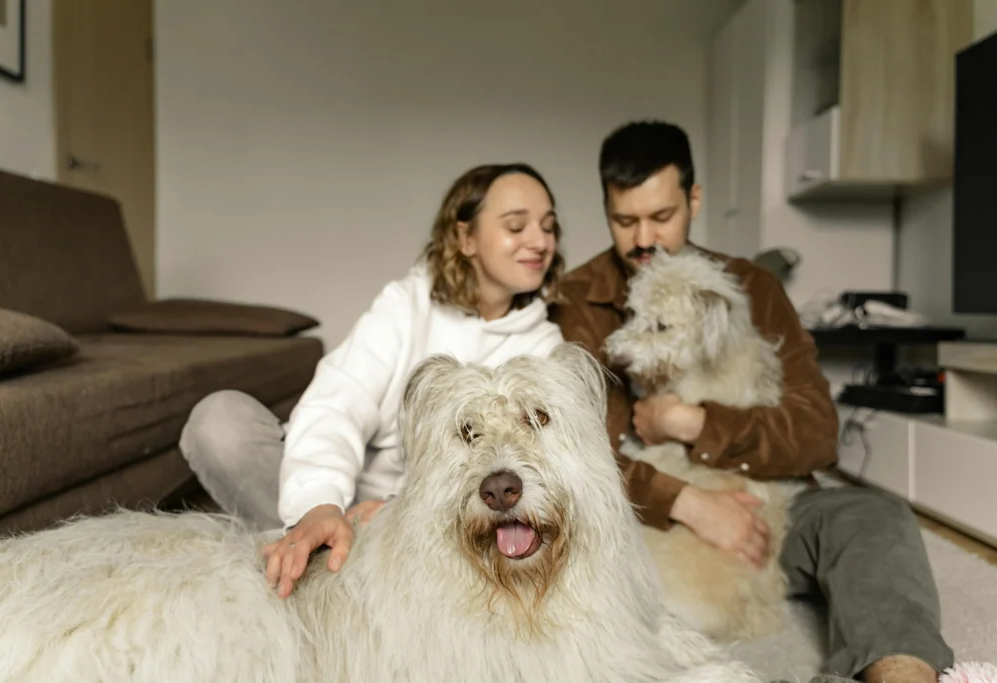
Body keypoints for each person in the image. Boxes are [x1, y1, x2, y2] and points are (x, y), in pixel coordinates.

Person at [549, 120, 954, 683]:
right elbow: (566, 454)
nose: (643, 237)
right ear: (605, 210)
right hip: (648, 524)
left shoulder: (751, 287)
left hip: (772, 506)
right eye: (625, 220)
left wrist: (694, 424)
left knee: (874, 516)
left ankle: (903, 675)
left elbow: (815, 432)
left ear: (694, 199)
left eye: (661, 217)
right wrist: (686, 500)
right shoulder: (575, 301)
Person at [180, 162, 566, 598]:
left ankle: (330, 579)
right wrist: (320, 505)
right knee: (219, 421)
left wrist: (396, 513)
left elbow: (531, 473)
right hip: (340, 503)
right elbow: (337, 402)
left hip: (435, 525)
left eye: (549, 227)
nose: (539, 241)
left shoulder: (545, 346)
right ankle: (315, 544)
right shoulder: (405, 304)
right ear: (466, 238)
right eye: (517, 226)